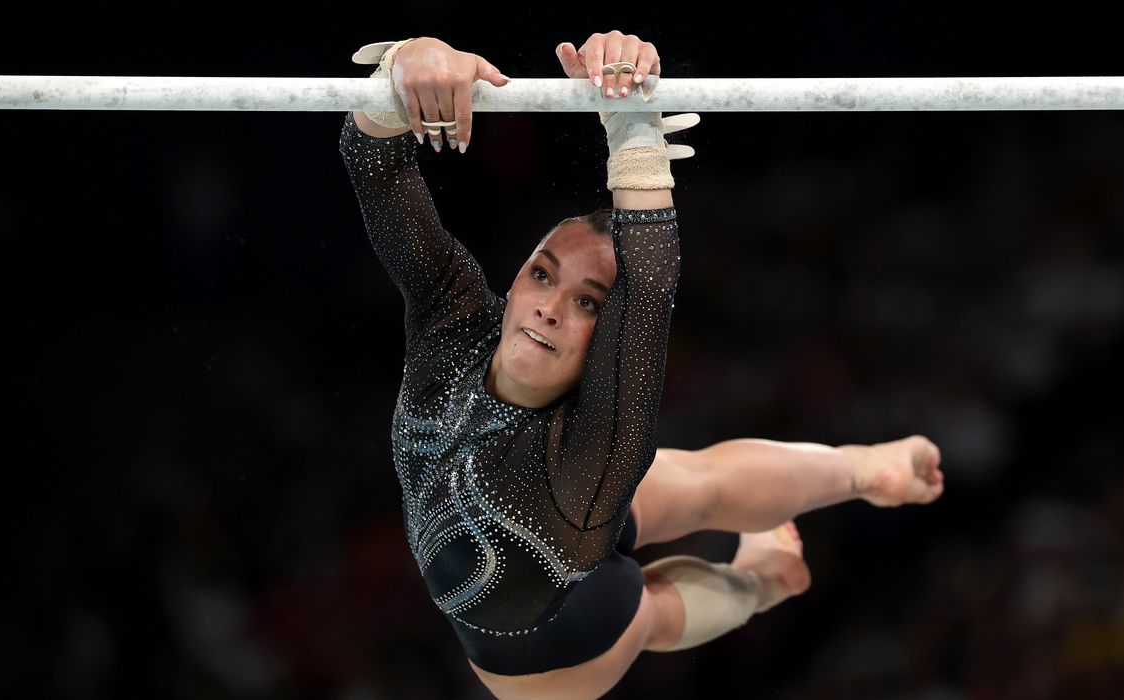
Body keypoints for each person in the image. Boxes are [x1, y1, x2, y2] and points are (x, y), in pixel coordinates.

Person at [339, 31, 945, 700]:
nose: (548, 309)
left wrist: (634, 130)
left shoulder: (597, 446)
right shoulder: (455, 324)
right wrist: (411, 62)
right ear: (512, 280)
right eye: (542, 275)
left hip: (561, 662)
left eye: (587, 303)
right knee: (694, 493)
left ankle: (800, 540)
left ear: (613, 338)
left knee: (674, 550)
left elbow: (650, 286)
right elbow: (374, 166)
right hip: (562, 585)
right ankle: (794, 544)